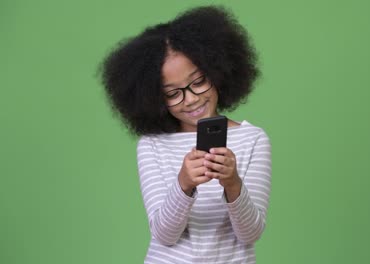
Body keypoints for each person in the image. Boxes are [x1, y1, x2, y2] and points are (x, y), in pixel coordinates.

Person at [100, 5, 271, 264]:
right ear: (154, 98)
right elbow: (164, 235)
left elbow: (250, 235)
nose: (191, 99)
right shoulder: (152, 145)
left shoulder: (253, 139)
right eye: (172, 93)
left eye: (199, 81)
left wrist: (232, 183)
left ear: (218, 71)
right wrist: (184, 184)